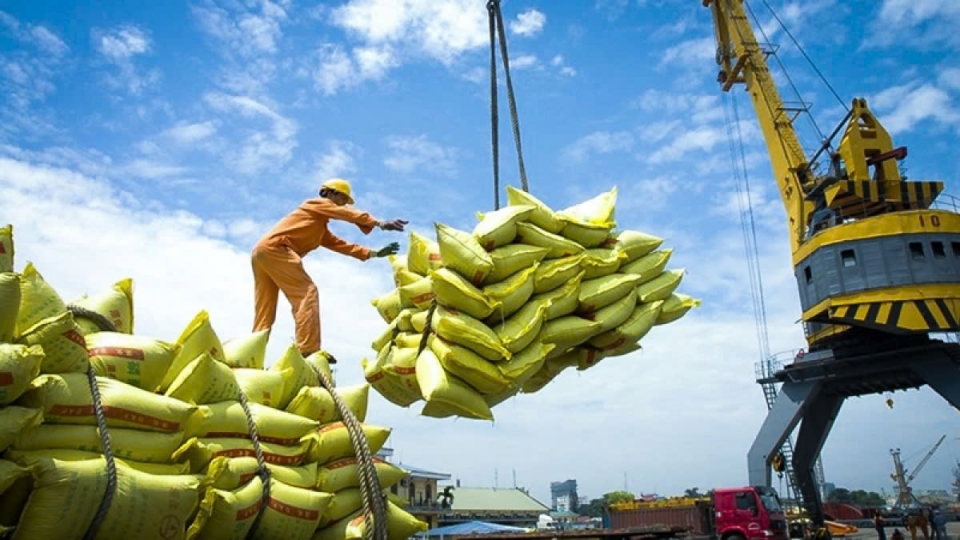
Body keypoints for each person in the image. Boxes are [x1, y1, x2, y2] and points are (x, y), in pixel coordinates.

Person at [251, 178, 407, 359]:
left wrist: (374, 253)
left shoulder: (318, 227)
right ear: (331, 193)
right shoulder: (315, 204)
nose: (343, 204)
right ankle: (308, 349)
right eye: (343, 199)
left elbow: (342, 245)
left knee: (265, 309)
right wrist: (379, 223)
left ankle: (251, 352)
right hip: (276, 249)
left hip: (262, 253)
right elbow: (343, 213)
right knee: (307, 293)